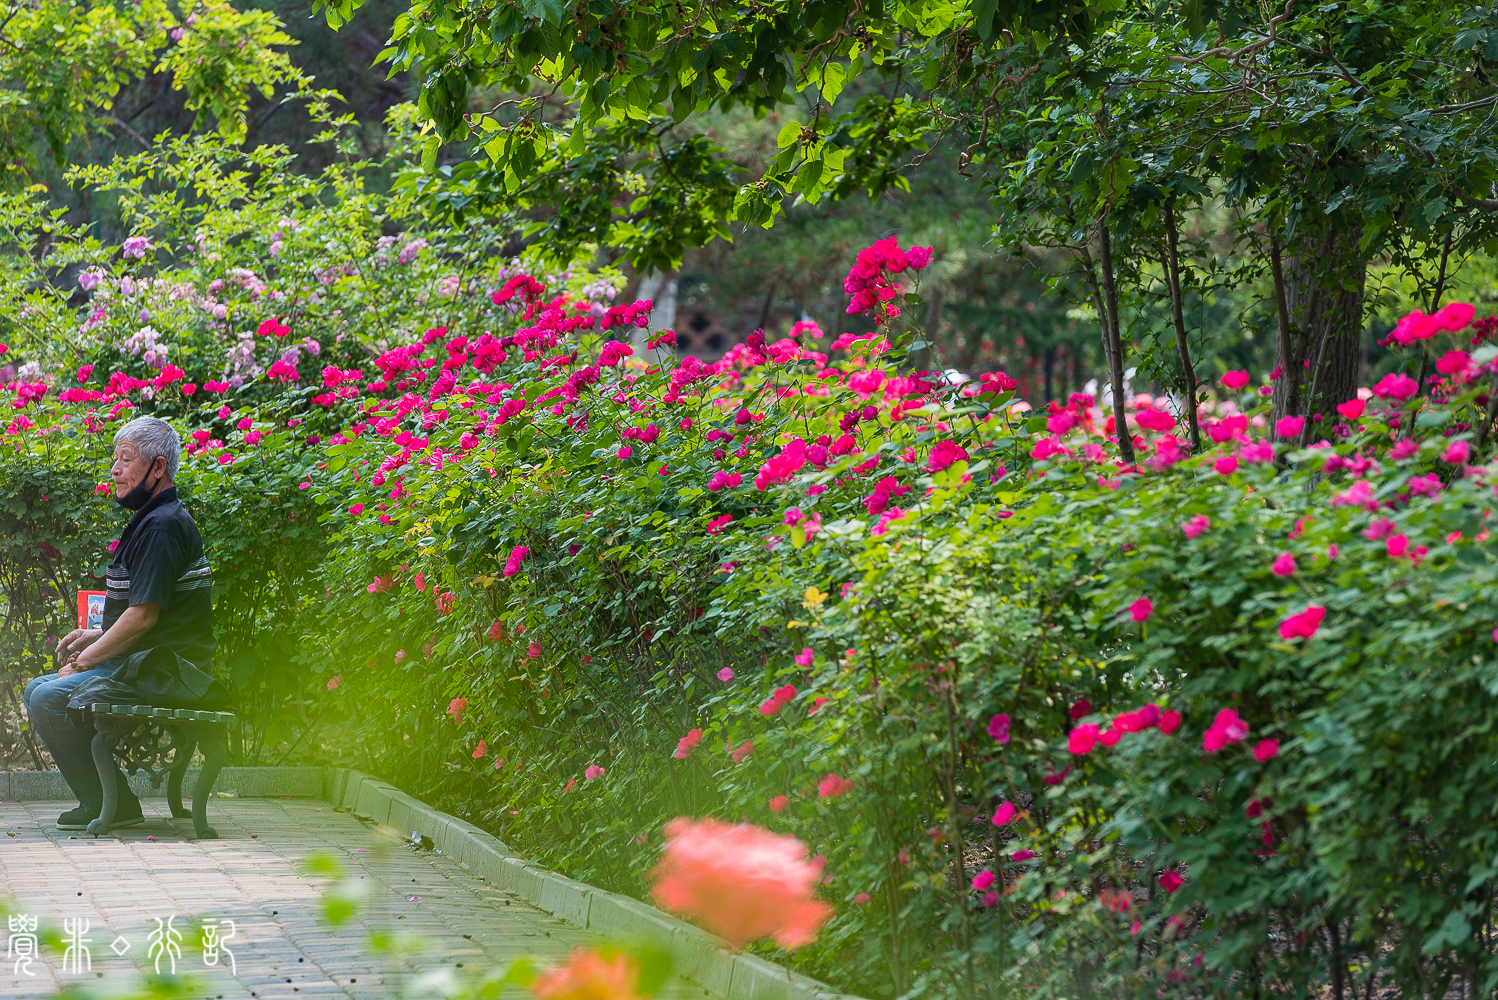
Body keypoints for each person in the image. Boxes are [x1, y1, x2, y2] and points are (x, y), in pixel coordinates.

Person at [22, 416, 215, 830]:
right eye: (115, 459)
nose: (114, 469)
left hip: (169, 670)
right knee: (37, 688)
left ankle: (111, 804)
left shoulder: (161, 525)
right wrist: (97, 635)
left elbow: (144, 616)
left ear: (157, 468)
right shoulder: (153, 518)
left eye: (126, 459)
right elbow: (154, 611)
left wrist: (85, 660)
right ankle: (111, 801)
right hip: (152, 659)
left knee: (47, 697)